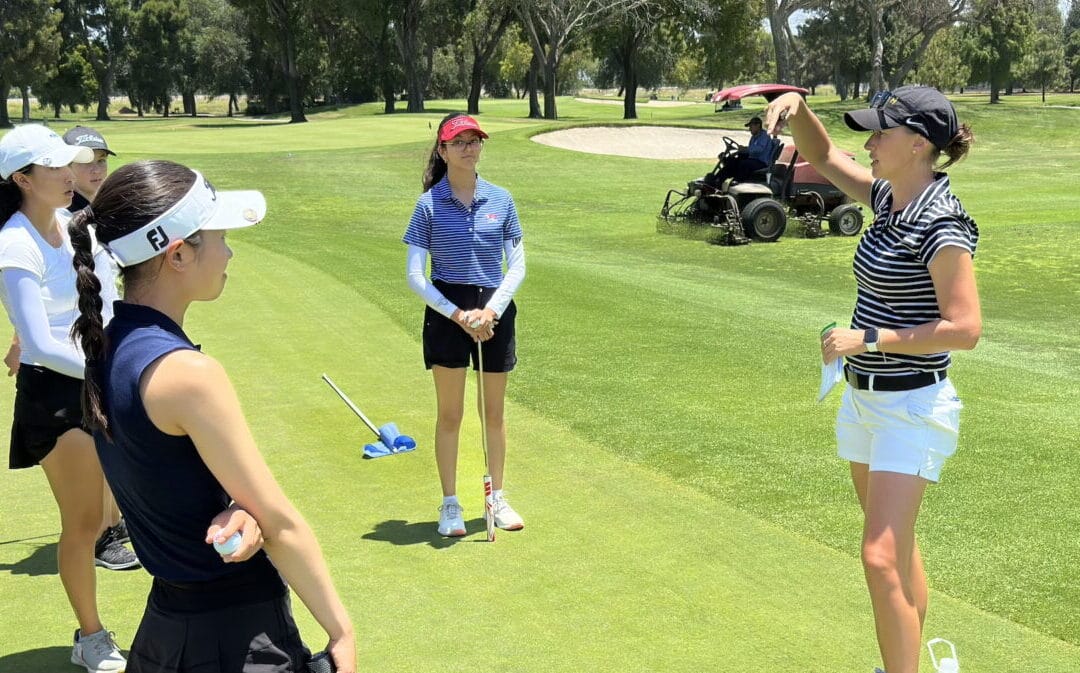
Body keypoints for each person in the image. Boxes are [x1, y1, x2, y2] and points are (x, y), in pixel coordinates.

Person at [69, 159, 355, 673]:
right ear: (178, 254)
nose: (228, 251)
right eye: (219, 237)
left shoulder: (106, 345)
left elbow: (171, 482)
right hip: (235, 635)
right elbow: (282, 525)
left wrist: (239, 510)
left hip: (166, 631)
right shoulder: (188, 374)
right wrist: (342, 631)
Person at [764, 87, 980, 673]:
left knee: (880, 557)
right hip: (863, 401)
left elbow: (965, 329)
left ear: (919, 144)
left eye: (881, 133)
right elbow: (829, 158)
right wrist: (797, 108)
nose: (871, 142)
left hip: (914, 407)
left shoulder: (942, 224)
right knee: (898, 555)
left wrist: (872, 338)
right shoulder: (889, 198)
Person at [404, 112, 526, 537]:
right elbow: (416, 276)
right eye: (460, 142)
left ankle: (497, 497)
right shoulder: (427, 206)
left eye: (475, 141)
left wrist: (490, 312)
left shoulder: (502, 199)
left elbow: (517, 266)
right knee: (451, 415)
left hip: (494, 307)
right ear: (443, 150)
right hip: (446, 310)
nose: (470, 148)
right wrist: (459, 316)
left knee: (494, 413)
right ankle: (450, 503)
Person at [710, 116, 779, 185]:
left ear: (758, 125)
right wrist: (739, 152)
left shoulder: (764, 136)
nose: (749, 129)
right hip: (754, 159)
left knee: (743, 164)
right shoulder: (754, 137)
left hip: (761, 162)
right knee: (732, 161)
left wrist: (745, 149)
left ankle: (736, 182)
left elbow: (758, 149)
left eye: (751, 126)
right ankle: (717, 179)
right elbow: (751, 150)